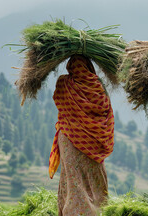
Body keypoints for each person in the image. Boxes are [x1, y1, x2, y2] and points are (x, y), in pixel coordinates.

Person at [48, 56, 115, 216]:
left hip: (70, 139)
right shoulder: (98, 86)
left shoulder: (64, 83)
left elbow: (60, 103)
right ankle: (98, 211)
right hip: (94, 142)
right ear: (89, 67)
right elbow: (106, 113)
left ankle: (72, 211)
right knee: (94, 179)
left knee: (73, 178)